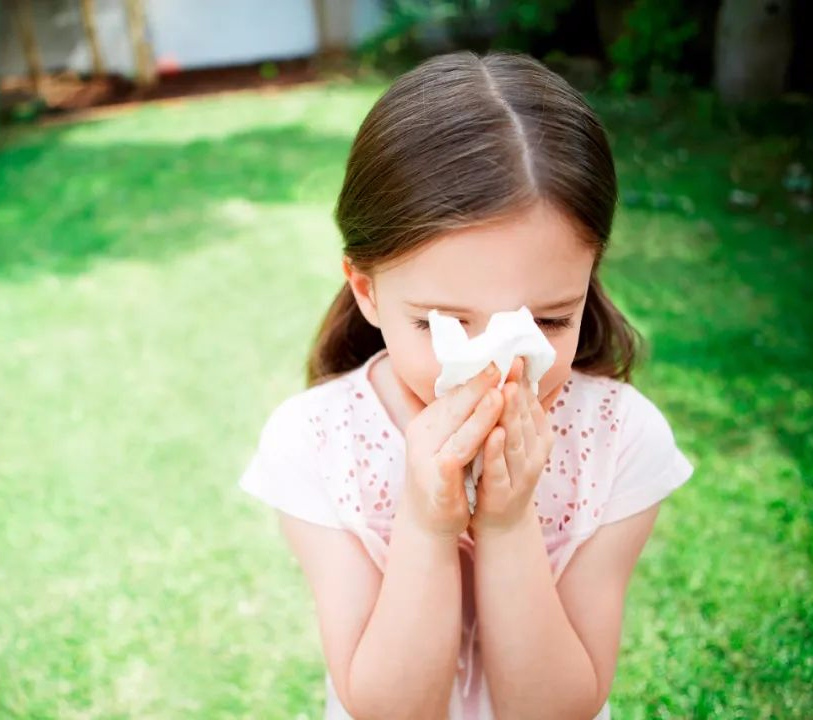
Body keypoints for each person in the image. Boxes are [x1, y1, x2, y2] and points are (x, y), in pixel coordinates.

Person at [237, 51, 695, 720]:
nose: (498, 367)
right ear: (366, 289)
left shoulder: (620, 440)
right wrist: (426, 521)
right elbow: (390, 709)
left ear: (588, 282)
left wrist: (509, 525)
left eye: (548, 319)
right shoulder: (314, 443)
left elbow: (557, 709)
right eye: (444, 325)